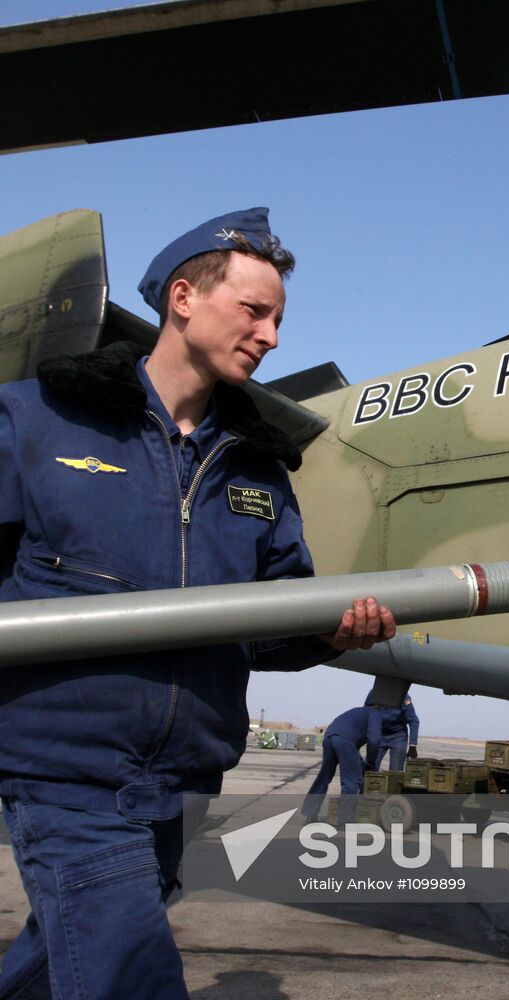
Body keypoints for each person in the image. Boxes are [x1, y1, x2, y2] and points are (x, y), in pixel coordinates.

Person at [0, 208, 396, 1000]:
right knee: (129, 972)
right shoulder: (34, 420)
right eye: (254, 311)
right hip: (66, 770)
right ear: (183, 298)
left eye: (279, 318)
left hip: (187, 776)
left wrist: (333, 633)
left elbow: (271, 626)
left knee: (61, 957)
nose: (272, 336)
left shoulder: (258, 472)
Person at [301, 706, 382, 824]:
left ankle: (310, 814)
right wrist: (371, 763)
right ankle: (344, 819)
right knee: (352, 781)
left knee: (324, 777)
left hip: (329, 737)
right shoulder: (376, 714)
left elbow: (353, 753)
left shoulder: (359, 712)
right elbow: (374, 741)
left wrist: (363, 765)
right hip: (345, 740)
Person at [364, 690, 420, 770]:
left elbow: (414, 721)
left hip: (398, 735)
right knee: (369, 767)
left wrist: (413, 745)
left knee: (396, 771)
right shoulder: (374, 693)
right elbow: (365, 713)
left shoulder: (404, 697)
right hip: (379, 733)